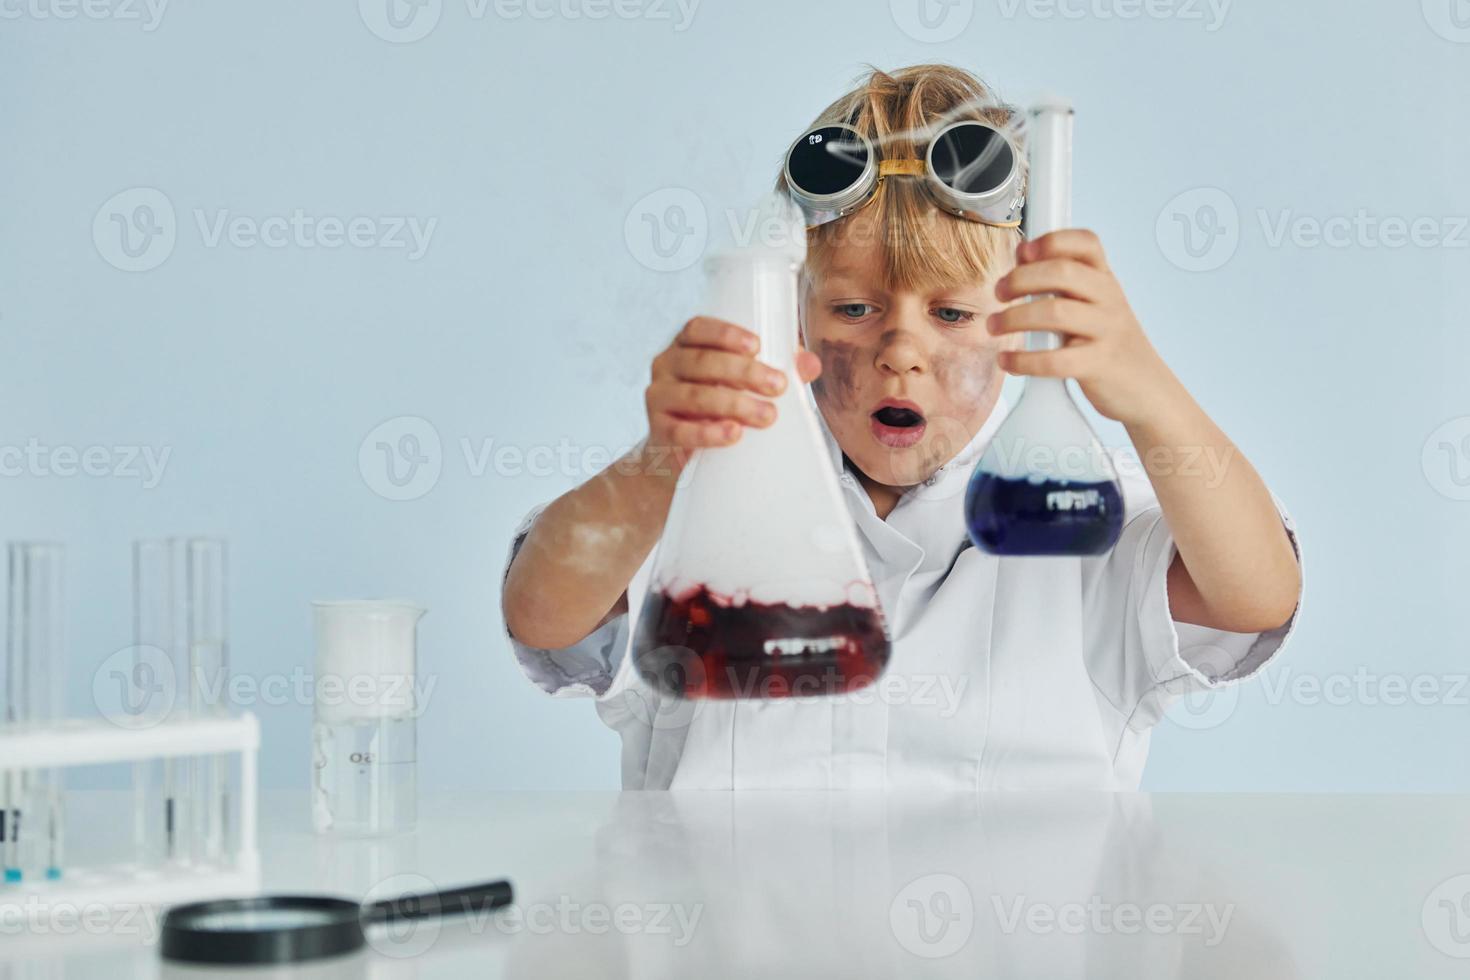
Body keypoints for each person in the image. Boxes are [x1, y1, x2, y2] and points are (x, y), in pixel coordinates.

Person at [500, 64, 1302, 790]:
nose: (902, 352)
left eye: (951, 312)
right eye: (853, 309)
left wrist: (1152, 398)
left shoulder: (1079, 513)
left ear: (1020, 323)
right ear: (796, 320)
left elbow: (1254, 597)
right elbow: (543, 615)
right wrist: (662, 457)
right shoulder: (700, 506)